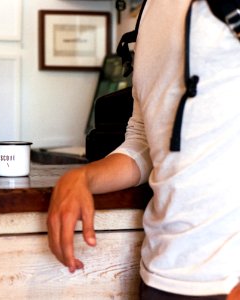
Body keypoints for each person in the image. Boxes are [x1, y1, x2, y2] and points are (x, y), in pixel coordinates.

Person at [47, 0, 240, 299]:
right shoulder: (149, 12)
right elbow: (146, 140)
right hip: (160, 273)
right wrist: (82, 178)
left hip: (227, 279)